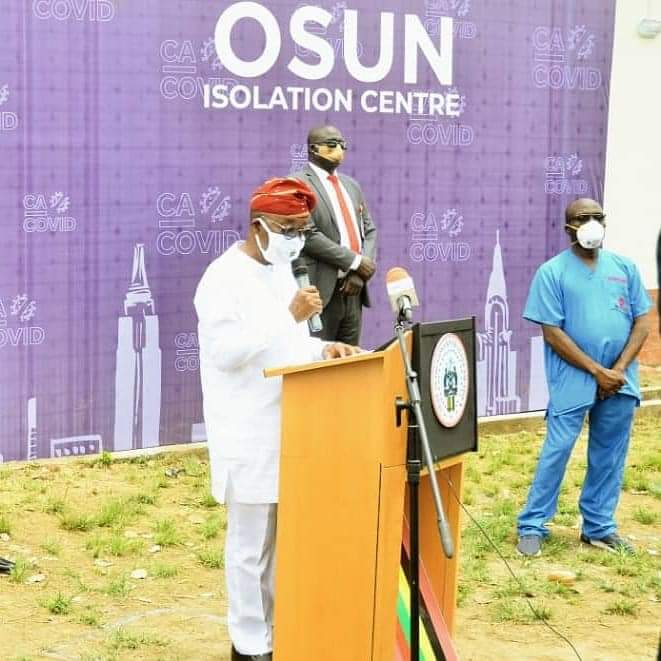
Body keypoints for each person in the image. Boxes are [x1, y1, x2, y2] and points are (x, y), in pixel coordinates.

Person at [194, 178, 361, 661]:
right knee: (249, 548)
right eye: (288, 228)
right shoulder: (222, 277)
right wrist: (288, 316)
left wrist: (323, 348)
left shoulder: (284, 271)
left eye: (302, 230)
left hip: (292, 426)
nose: (295, 239)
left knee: (279, 545)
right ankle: (248, 645)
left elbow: (288, 344)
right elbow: (227, 353)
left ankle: (274, 632)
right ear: (258, 226)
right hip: (247, 431)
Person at [516, 198, 651, 557]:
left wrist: (617, 370)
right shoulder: (552, 272)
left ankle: (599, 527)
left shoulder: (624, 267)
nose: (591, 223)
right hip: (574, 376)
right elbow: (552, 332)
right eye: (582, 218)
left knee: (610, 454)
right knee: (557, 450)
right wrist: (596, 371)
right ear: (568, 228)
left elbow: (642, 321)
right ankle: (532, 525)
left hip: (620, 378)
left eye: (597, 217)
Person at [291, 125, 377, 345]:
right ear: (313, 149)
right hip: (319, 292)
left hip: (353, 290)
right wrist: (355, 262)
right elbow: (308, 235)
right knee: (318, 359)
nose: (339, 149)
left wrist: (360, 273)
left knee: (350, 359)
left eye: (342, 144)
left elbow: (369, 230)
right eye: (331, 145)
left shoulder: (351, 185)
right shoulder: (297, 184)